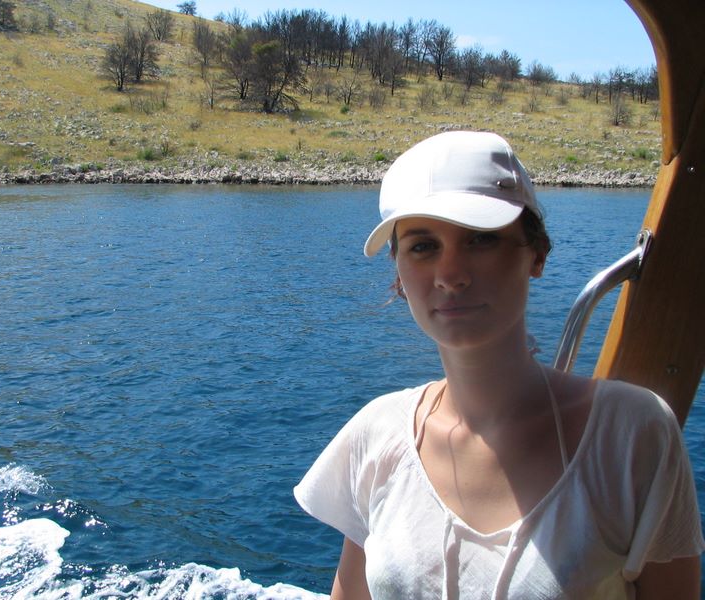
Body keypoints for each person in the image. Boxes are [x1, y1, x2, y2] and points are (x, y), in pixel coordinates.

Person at [294, 131, 704, 599]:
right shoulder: (376, 435)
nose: (451, 275)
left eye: (481, 239)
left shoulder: (631, 434)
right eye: (423, 246)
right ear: (400, 274)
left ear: (537, 254)